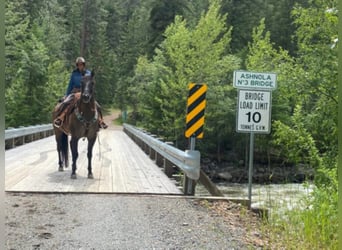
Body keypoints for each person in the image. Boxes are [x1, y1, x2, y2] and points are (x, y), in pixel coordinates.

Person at [53, 57, 108, 129]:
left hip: (85, 93)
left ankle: (101, 121)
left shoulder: (88, 73)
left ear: (84, 65)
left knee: (97, 106)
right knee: (65, 103)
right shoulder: (74, 74)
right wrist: (66, 95)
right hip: (75, 93)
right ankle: (61, 118)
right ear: (77, 65)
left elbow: (91, 85)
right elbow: (70, 85)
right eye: (78, 64)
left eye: (81, 64)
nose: (80, 66)